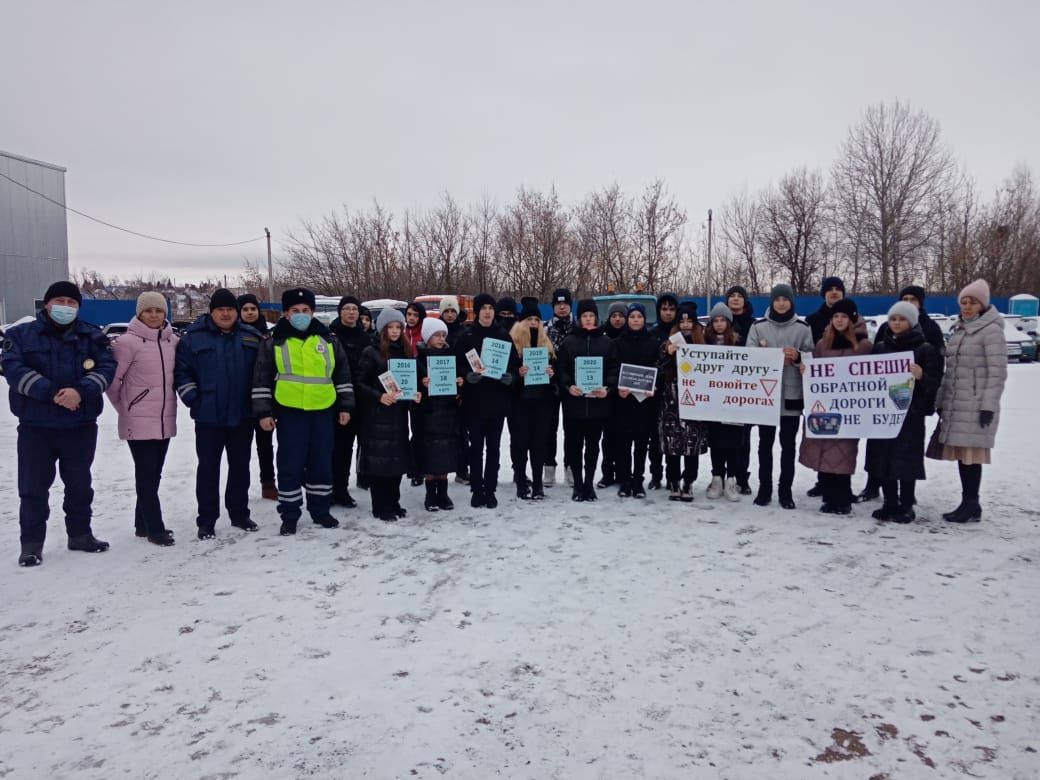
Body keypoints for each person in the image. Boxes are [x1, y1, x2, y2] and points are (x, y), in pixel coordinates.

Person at [2, 281, 116, 566]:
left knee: (79, 485)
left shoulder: (92, 336)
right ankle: (31, 544)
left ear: (78, 307)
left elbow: (107, 367)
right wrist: (53, 393)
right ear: (47, 303)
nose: (65, 307)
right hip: (36, 427)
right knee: (33, 488)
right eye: (60, 301)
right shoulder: (20, 335)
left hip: (80, 425)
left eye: (71, 302)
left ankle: (80, 534)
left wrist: (80, 391)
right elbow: (13, 369)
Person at [253, 288, 355, 536]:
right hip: (290, 412)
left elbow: (342, 375)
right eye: (295, 311)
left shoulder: (328, 339)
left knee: (321, 463)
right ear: (286, 314)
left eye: (305, 311)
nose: (301, 314)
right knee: (290, 464)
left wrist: (345, 406)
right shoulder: (273, 340)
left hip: (323, 410)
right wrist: (264, 413)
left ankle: (320, 510)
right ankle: (289, 515)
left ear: (313, 312)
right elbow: (261, 379)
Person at [175, 288, 262, 539]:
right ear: (211, 312)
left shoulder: (251, 337)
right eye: (220, 309)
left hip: (242, 415)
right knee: (208, 469)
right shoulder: (193, 338)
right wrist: (194, 399)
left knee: (240, 467)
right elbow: (182, 373)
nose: (226, 314)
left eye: (230, 309)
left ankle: (239, 513)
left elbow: (261, 373)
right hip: (208, 417)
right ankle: (207, 519)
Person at [857, 284, 947, 503]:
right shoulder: (880, 347)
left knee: (906, 459)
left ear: (912, 321)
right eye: (893, 319)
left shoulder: (924, 348)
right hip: (882, 413)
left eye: (902, 319)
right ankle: (889, 502)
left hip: (910, 413)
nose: (897, 323)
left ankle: (906, 503)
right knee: (883, 456)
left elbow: (935, 381)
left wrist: (922, 376)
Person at [927, 279, 1008, 523]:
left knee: (971, 456)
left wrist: (988, 405)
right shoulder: (959, 330)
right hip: (956, 402)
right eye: (964, 302)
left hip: (974, 404)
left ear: (983, 305)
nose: (967, 307)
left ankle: (971, 503)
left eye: (972, 302)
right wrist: (940, 399)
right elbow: (949, 371)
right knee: (964, 455)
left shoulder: (991, 331)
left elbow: (997, 373)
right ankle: (969, 502)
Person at [107, 291, 179, 546]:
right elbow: (113, 382)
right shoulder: (127, 343)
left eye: (159, 310)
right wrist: (126, 407)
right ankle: (155, 528)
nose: (154, 315)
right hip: (137, 420)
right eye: (148, 310)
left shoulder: (172, 342)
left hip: (164, 419)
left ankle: (141, 524)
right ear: (139, 313)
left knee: (154, 474)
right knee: (146, 475)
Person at [797, 300, 872, 514]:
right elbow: (815, 368)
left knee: (844, 451)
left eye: (844, 317)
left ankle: (843, 497)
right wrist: (806, 370)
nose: (839, 320)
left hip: (850, 408)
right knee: (824, 448)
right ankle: (830, 495)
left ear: (852, 319)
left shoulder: (863, 346)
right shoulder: (823, 344)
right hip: (825, 405)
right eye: (836, 316)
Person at [747, 284, 814, 510]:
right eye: (778, 299)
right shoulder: (758, 327)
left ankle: (785, 491)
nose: (782, 303)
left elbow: (811, 358)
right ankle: (764, 490)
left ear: (791, 302)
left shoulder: (803, 328)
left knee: (788, 445)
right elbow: (749, 356)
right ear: (772, 302)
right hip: (765, 397)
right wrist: (772, 358)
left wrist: (798, 357)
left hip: (792, 394)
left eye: (786, 299)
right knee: (765, 445)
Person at [455, 293, 520, 508]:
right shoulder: (467, 336)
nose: (487, 311)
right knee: (476, 448)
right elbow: (457, 363)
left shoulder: (503, 335)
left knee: (493, 448)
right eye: (483, 308)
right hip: (474, 401)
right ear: (477, 311)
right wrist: (466, 375)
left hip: (497, 401)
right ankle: (476, 488)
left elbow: (514, 366)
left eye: (490, 308)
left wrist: (511, 377)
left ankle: (490, 489)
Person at [356, 309, 418, 521]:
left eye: (398, 327)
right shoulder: (371, 352)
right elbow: (360, 383)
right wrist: (379, 396)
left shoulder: (405, 351)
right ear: (382, 329)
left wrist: (415, 393)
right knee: (379, 462)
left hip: (399, 416)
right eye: (390, 327)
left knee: (396, 461)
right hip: (377, 416)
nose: (394, 331)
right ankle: (380, 506)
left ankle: (394, 502)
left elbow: (410, 381)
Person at [556, 298, 619, 502]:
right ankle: (578, 484)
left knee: (593, 447)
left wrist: (607, 387)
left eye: (592, 316)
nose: (589, 319)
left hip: (597, 405)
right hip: (574, 405)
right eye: (585, 316)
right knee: (574, 446)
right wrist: (568, 386)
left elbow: (613, 368)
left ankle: (589, 483)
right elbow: (561, 369)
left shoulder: (607, 342)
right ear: (579, 318)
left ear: (597, 318)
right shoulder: (569, 342)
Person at [657, 301, 706, 501]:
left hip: (695, 399)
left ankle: (689, 481)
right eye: (682, 321)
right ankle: (674, 480)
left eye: (690, 321)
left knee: (692, 442)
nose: (686, 325)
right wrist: (668, 354)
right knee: (672, 442)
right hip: (671, 399)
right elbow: (657, 370)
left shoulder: (702, 344)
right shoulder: (667, 344)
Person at [509, 299, 557, 500]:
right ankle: (521, 481)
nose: (533, 323)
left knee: (539, 443)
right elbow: (504, 376)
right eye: (529, 319)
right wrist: (516, 373)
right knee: (519, 444)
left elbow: (557, 370)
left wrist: (551, 372)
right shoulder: (512, 345)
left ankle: (538, 483)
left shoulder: (547, 345)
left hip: (541, 402)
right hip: (518, 403)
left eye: (537, 319)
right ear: (521, 322)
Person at [612, 304, 659, 498]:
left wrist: (655, 387)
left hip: (644, 403)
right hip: (623, 402)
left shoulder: (654, 343)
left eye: (640, 316)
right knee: (623, 445)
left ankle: (638, 480)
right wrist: (617, 386)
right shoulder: (617, 343)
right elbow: (612, 367)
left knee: (641, 445)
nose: (636, 320)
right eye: (632, 317)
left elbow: (659, 368)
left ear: (644, 319)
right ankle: (624, 481)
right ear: (627, 320)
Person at [703, 303, 748, 502]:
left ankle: (732, 480)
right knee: (716, 442)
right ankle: (717, 478)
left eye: (723, 320)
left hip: (734, 402)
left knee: (733, 443)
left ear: (729, 323)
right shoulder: (704, 344)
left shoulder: (739, 343)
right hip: (713, 402)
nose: (719, 324)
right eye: (716, 321)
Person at [329, 295, 371, 508]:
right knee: (338, 447)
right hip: (336, 399)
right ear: (340, 312)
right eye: (347, 308)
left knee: (356, 446)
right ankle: (333, 488)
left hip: (362, 400)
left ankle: (344, 488)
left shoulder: (365, 337)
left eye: (355, 308)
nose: (351, 312)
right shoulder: (330, 336)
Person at [417, 317, 461, 511]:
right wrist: (421, 383)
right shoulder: (418, 358)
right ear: (427, 337)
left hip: (447, 412)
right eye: (437, 335)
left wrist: (460, 383)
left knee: (445, 452)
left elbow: (460, 377)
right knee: (429, 454)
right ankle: (430, 494)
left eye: (443, 335)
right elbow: (409, 385)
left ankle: (443, 493)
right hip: (426, 413)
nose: (441, 338)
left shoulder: (451, 356)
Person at [237, 293, 277, 500]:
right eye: (245, 309)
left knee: (265, 444)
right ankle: (239, 490)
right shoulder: (234, 334)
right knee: (241, 448)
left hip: (264, 399)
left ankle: (268, 483)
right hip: (241, 399)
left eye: (253, 309)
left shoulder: (269, 335)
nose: (250, 312)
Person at [646, 292, 679, 489]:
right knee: (655, 436)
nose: (667, 313)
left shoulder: (683, 333)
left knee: (674, 436)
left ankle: (672, 475)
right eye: (664, 309)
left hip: (677, 393)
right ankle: (656, 474)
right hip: (655, 391)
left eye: (671, 309)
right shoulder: (653, 332)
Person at [724, 287, 756, 495]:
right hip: (720, 388)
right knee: (722, 436)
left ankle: (742, 477)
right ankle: (723, 477)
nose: (735, 299)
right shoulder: (718, 323)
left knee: (743, 437)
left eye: (739, 296)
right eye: (732, 296)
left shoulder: (754, 324)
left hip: (745, 388)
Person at [544, 288, 575, 488]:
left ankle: (571, 468)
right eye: (558, 304)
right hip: (550, 386)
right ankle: (549, 468)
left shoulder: (579, 326)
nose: (562, 307)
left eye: (565, 304)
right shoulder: (545, 328)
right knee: (549, 428)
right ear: (553, 306)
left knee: (572, 429)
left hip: (574, 386)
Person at [439, 295, 470, 485]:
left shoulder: (464, 332)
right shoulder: (436, 331)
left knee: (461, 431)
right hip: (439, 388)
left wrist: (463, 380)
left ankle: (462, 469)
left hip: (459, 388)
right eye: (446, 311)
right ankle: (436, 471)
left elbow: (468, 360)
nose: (450, 315)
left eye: (453, 311)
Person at [597, 301, 628, 489]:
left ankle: (624, 473)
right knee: (607, 438)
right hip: (607, 395)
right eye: (614, 316)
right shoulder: (603, 337)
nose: (617, 319)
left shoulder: (629, 337)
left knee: (624, 438)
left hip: (626, 396)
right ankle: (607, 474)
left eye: (621, 316)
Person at [806, 276, 846, 344]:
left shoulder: (853, 319)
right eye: (830, 289)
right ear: (824, 294)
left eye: (838, 289)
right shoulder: (811, 321)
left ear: (843, 294)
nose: (834, 292)